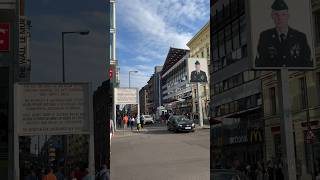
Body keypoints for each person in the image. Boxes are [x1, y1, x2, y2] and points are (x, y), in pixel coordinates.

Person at [255, 0, 312, 68]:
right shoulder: (265, 37)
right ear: (272, 16)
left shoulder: (300, 37)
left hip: (294, 76)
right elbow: (259, 63)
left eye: (283, 14)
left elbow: (308, 62)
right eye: (276, 15)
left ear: (288, 16)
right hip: (274, 76)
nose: (280, 18)